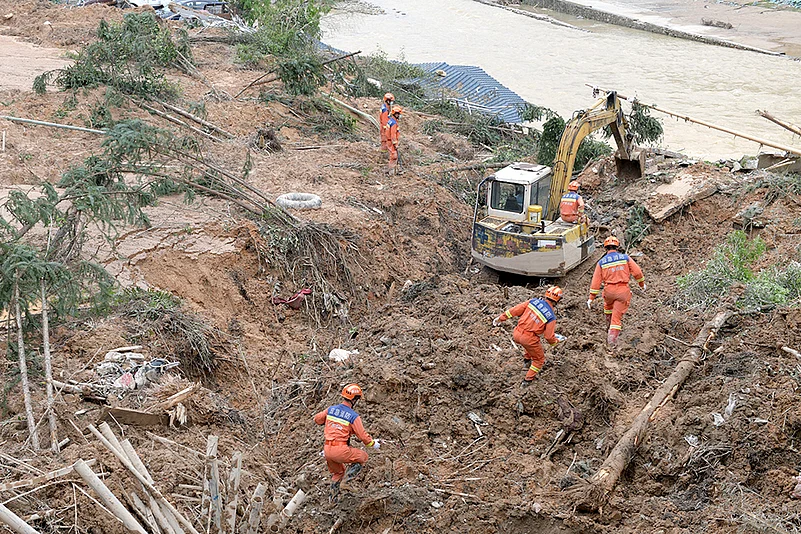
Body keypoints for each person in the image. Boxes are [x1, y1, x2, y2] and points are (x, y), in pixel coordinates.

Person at [313, 384, 380, 502]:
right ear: (355, 399)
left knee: (338, 473)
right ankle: (347, 481)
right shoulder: (353, 416)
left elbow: (317, 419)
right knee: (363, 457)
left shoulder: (331, 409)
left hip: (327, 450)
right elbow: (362, 436)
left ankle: (332, 501)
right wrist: (373, 444)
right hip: (340, 449)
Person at [493, 286, 566, 385]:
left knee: (530, 347)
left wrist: (501, 318)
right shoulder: (551, 317)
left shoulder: (533, 302)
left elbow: (515, 310)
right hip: (529, 339)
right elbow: (549, 337)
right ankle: (527, 380)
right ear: (558, 300)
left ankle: (526, 361)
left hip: (517, 333)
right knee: (539, 360)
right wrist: (555, 342)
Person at [587, 236, 646, 347]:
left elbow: (596, 282)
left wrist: (591, 297)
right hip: (622, 291)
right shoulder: (625, 258)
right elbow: (637, 272)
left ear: (605, 248)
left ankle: (607, 328)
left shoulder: (601, 262)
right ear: (617, 247)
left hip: (608, 291)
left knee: (608, 307)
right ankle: (612, 343)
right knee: (616, 318)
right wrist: (642, 284)